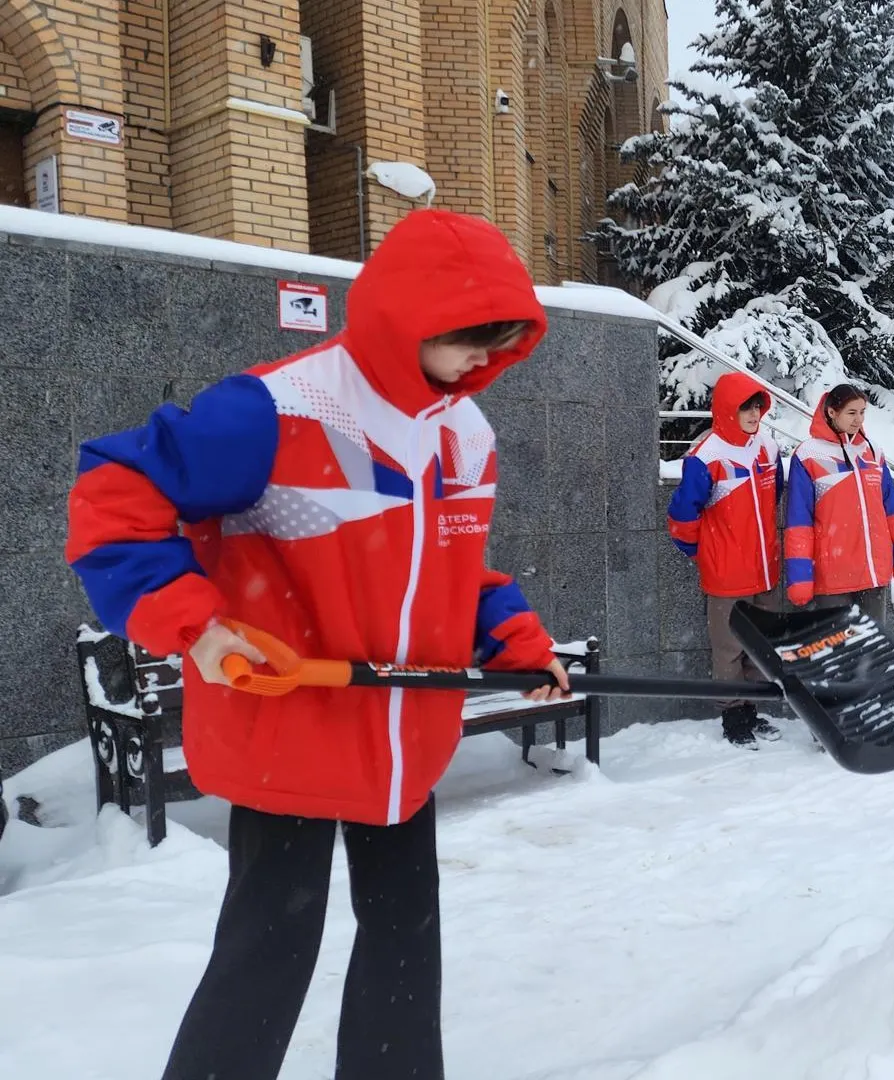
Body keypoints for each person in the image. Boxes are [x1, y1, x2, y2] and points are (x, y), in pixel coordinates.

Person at [63, 208, 572, 1079]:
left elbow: (452, 571)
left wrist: (516, 639)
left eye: (503, 341)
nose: (487, 363)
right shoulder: (277, 408)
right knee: (270, 942)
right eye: (471, 341)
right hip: (288, 725)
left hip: (405, 732)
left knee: (406, 944)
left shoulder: (465, 434)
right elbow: (116, 493)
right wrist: (199, 625)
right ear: (407, 318)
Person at [667, 371, 785, 746]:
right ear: (726, 409)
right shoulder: (707, 456)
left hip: (764, 567)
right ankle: (733, 716)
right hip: (726, 573)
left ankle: (751, 710)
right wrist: (704, 553)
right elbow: (683, 515)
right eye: (745, 407)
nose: (753, 414)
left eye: (757, 407)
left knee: (758, 647)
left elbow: (775, 494)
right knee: (729, 650)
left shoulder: (767, 447)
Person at [783, 384, 894, 621]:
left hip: (873, 573)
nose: (858, 420)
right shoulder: (809, 455)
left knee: (874, 650)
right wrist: (800, 577)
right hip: (833, 576)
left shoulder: (872, 452)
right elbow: (799, 522)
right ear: (832, 412)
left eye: (862, 412)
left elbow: (892, 513)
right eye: (851, 412)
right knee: (838, 652)